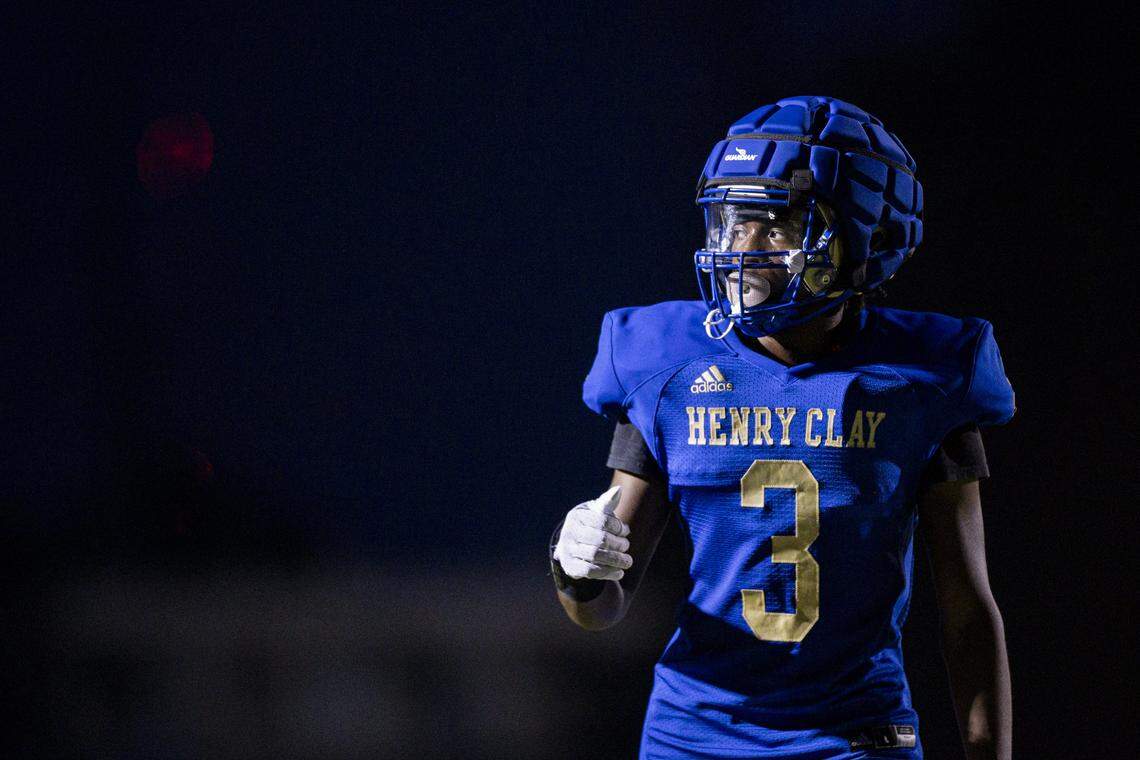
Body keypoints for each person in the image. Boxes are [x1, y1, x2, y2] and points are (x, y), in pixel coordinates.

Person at [549, 96, 1014, 759]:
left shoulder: (925, 375)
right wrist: (576, 571)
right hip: (695, 735)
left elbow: (967, 608)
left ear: (865, 236)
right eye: (734, 223)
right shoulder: (667, 363)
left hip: (853, 736)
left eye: (777, 225)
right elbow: (602, 606)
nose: (745, 248)